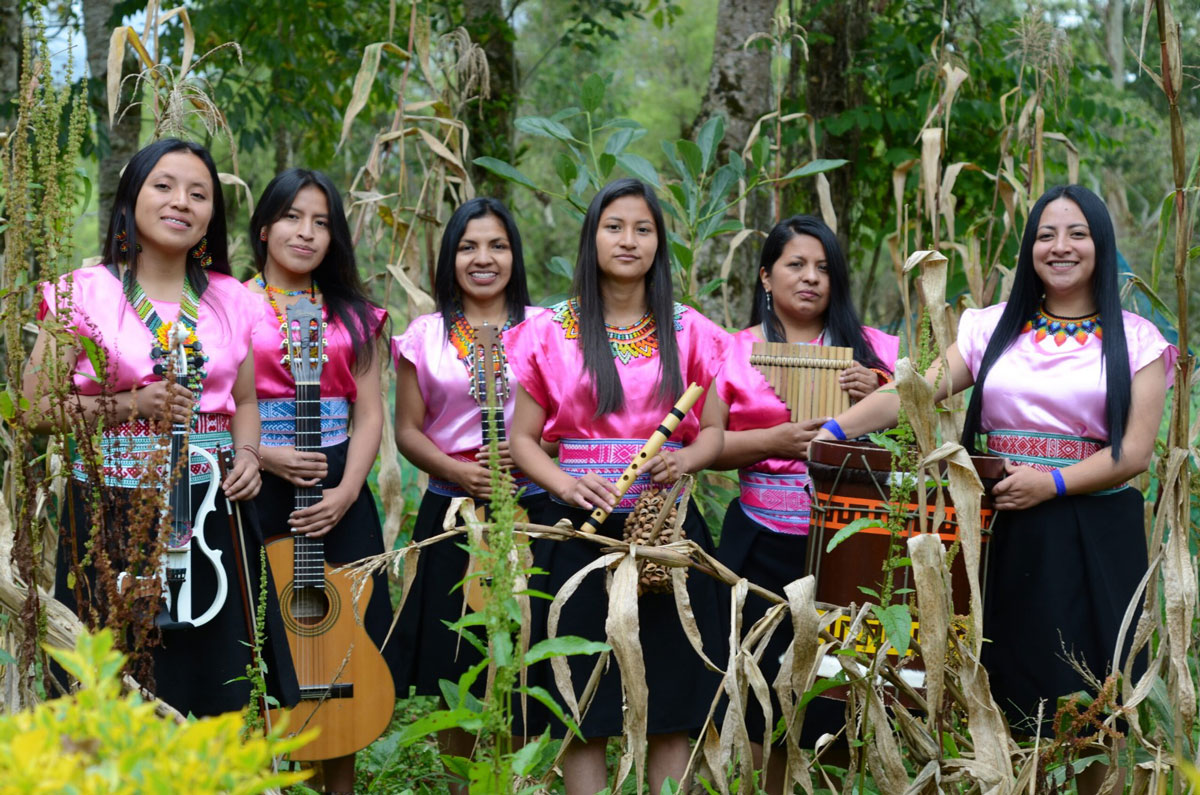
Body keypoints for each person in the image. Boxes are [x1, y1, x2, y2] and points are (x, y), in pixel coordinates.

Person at [814, 185, 1176, 741]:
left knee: (1090, 710)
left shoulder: (1138, 340)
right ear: (1029, 247)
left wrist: (1051, 484)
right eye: (1045, 234)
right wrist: (834, 431)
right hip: (994, 525)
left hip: (1091, 535)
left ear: (1101, 244)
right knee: (1000, 693)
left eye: (1077, 233)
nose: (1060, 246)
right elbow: (915, 391)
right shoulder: (992, 326)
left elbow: (1133, 452)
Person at [24, 138, 299, 715]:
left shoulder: (233, 298)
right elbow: (35, 409)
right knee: (105, 682)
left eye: (199, 194)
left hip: (211, 515)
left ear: (210, 217)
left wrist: (248, 455)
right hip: (108, 510)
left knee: (217, 680)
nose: (182, 202)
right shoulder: (83, 292)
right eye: (165, 186)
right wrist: (132, 403)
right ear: (132, 198)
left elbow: (244, 400)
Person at [506, 178, 730, 795]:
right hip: (578, 533)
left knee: (672, 700)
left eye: (643, 228)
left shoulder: (692, 331)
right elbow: (524, 440)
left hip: (668, 530)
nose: (628, 240)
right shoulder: (550, 330)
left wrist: (686, 462)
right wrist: (565, 482)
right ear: (592, 237)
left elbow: (712, 433)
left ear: (659, 242)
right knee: (585, 701)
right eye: (614, 227)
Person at [710, 215, 897, 792]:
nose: (811, 278)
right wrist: (774, 441)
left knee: (838, 692)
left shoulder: (876, 352)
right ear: (766, 276)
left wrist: (880, 394)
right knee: (756, 690)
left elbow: (914, 444)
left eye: (823, 268)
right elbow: (707, 447)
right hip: (759, 540)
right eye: (796, 265)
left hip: (849, 546)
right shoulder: (732, 351)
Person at [245, 168, 396, 793]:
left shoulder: (354, 315)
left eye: (322, 221)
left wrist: (347, 491)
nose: (306, 233)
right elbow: (212, 403)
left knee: (341, 646)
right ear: (263, 227)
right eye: (292, 217)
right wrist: (260, 452)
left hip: (337, 485)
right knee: (260, 641)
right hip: (254, 478)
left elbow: (369, 414)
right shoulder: (226, 301)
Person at [391, 197, 548, 794]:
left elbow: (570, 421)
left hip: (534, 510)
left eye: (497, 246)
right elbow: (407, 429)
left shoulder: (550, 328)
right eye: (468, 246)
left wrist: (537, 454)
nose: (483, 259)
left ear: (515, 255)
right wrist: (458, 473)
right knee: (454, 665)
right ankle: (459, 786)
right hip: (451, 513)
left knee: (523, 653)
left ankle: (514, 783)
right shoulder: (423, 336)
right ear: (449, 257)